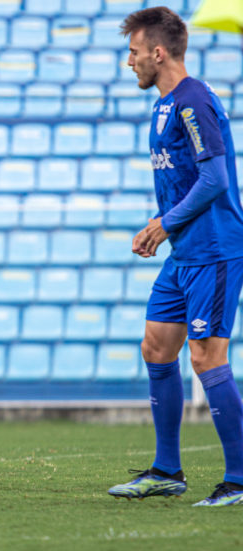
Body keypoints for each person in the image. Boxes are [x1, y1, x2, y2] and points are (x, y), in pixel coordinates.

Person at [107, 8, 243, 506]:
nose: (130, 62)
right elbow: (184, 181)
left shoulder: (194, 101)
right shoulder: (163, 105)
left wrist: (165, 224)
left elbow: (216, 179)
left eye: (135, 52)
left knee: (206, 357)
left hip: (214, 250)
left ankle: (239, 479)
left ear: (158, 53)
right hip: (184, 252)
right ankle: (167, 471)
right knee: (156, 347)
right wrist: (159, 225)